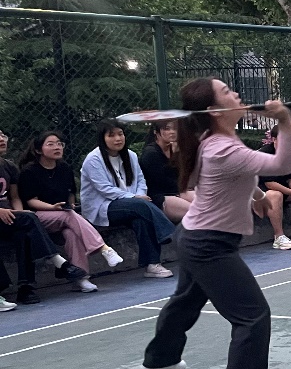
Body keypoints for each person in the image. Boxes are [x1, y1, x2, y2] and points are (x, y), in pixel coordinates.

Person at [141, 78, 291, 369]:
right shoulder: (222, 148)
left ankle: (160, 358)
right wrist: (284, 121)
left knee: (186, 301)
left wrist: (257, 196)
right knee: (252, 315)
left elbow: (230, 176)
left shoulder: (217, 141)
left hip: (195, 236)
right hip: (208, 244)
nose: (236, 94)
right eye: (227, 91)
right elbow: (283, 166)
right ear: (214, 110)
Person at [17, 130, 125, 293]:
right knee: (68, 216)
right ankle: (104, 249)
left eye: (60, 144)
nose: (57, 147)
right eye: (51, 144)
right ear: (39, 150)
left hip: (64, 214)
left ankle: (80, 278)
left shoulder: (64, 168)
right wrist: (52, 208)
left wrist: (71, 204)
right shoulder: (29, 171)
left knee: (71, 233)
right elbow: (31, 200)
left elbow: (70, 193)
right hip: (38, 217)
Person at [0, 127, 90, 306]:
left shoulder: (8, 166)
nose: (1, 139)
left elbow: (15, 197)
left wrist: (19, 212)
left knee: (24, 231)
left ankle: (26, 288)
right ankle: (60, 263)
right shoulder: (30, 170)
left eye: (2, 135)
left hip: (9, 218)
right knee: (30, 220)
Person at [80, 120, 177, 277]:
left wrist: (139, 195)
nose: (118, 138)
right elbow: (105, 189)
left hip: (132, 205)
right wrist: (135, 197)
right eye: (112, 135)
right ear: (102, 138)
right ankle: (168, 232)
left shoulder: (130, 155)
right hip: (104, 207)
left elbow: (141, 180)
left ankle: (152, 264)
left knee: (141, 219)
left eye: (120, 134)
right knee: (140, 206)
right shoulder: (93, 159)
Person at [140, 120, 195, 223]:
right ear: (156, 132)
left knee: (208, 205)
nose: (172, 132)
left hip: (177, 190)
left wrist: (177, 155)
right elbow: (162, 182)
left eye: (175, 129)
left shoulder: (174, 149)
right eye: (167, 129)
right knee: (196, 211)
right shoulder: (151, 153)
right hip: (159, 195)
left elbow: (185, 175)